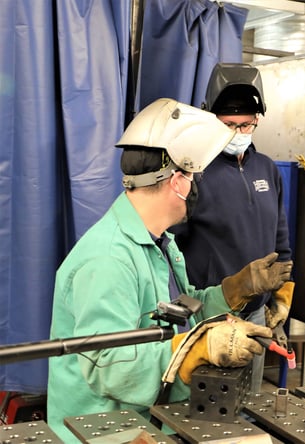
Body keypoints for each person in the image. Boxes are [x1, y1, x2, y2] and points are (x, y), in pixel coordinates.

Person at [47, 98, 292, 442]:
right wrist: (197, 350)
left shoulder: (158, 242)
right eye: (193, 176)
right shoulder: (108, 259)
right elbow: (109, 366)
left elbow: (180, 312)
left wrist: (233, 291)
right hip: (105, 432)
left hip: (146, 422)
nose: (195, 186)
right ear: (177, 181)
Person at [174, 63, 294, 392]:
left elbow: (280, 237)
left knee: (248, 404)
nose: (238, 133)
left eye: (246, 125)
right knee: (204, 412)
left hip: (256, 316)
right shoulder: (193, 173)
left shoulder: (267, 169)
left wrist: (280, 297)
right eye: (229, 125)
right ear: (210, 119)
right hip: (210, 316)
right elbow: (171, 251)